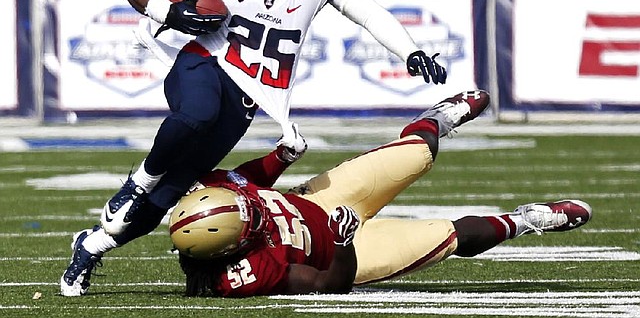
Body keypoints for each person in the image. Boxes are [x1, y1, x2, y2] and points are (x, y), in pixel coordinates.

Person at [60, 0, 447, 297]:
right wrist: (166, 13)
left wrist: (409, 50)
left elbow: (368, 12)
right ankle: (139, 182)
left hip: (249, 93)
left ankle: (92, 245)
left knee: (174, 190)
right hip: (205, 61)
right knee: (197, 113)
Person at [159, 89, 590, 296]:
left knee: (418, 153)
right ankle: (526, 220)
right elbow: (330, 284)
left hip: (315, 200)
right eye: (250, 218)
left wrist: (281, 159)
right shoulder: (240, 274)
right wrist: (343, 243)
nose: (253, 205)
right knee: (450, 235)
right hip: (345, 252)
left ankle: (437, 119)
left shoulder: (213, 196)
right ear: (230, 248)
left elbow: (243, 181)